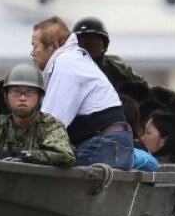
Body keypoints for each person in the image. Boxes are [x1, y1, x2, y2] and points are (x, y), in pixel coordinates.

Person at [31, 16, 133, 170]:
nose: (32, 53)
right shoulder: (76, 59)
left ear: (53, 45)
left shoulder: (66, 63)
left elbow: (51, 124)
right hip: (118, 146)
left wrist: (23, 153)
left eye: (35, 46)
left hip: (101, 146)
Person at [0, 63, 76, 167]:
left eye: (30, 92)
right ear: (6, 97)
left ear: (39, 97)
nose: (22, 98)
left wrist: (29, 157)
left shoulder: (50, 126)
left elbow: (65, 155)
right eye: (16, 92)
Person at [72, 16, 147, 89]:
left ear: (104, 44)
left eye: (94, 38)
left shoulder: (117, 67)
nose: (89, 42)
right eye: (83, 39)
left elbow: (145, 89)